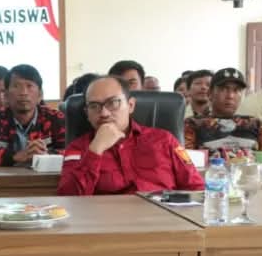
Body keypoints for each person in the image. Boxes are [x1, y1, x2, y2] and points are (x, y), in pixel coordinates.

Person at [58, 76, 203, 195]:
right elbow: (69, 200)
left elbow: (196, 188)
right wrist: (95, 150)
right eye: (94, 106)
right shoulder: (78, 148)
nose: (104, 113)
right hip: (108, 225)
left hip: (162, 221)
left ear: (131, 105)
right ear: (86, 114)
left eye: (113, 103)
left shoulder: (164, 140)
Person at [0, 64, 65, 167]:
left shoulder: (56, 119)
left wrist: (45, 156)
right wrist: (15, 156)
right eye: (16, 86)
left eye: (29, 86)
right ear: (6, 95)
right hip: (4, 181)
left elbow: (72, 153)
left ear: (40, 95)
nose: (23, 93)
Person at [184, 67, 262, 159]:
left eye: (236, 90)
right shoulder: (193, 124)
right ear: (210, 94)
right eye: (224, 89)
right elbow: (185, 161)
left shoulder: (254, 124)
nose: (230, 96)